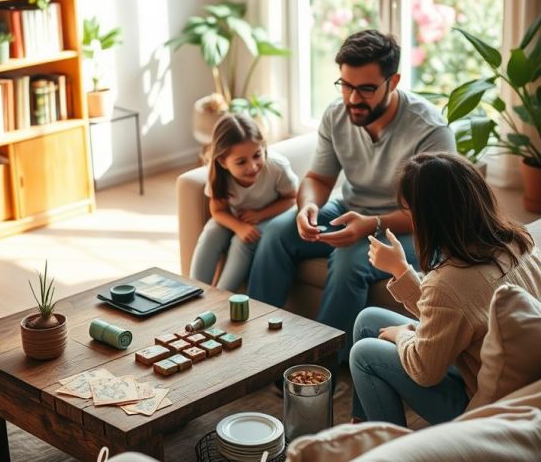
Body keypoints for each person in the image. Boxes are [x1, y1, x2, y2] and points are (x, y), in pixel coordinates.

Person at [247, 29, 456, 349]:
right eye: (346, 86)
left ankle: (320, 363)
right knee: (277, 232)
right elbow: (318, 179)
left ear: (394, 81)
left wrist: (373, 224)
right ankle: (256, 343)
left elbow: (434, 214)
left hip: (415, 228)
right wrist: (307, 207)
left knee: (349, 261)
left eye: (367, 89)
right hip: (351, 209)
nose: (353, 99)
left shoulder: (429, 130)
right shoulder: (337, 113)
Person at [349, 151, 541, 426]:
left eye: (411, 212)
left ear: (430, 217)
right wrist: (401, 271)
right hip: (516, 379)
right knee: (367, 320)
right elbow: (456, 316)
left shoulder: (450, 280)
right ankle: (362, 425)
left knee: (363, 354)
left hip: (485, 409)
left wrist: (402, 335)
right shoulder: (516, 239)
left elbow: (425, 370)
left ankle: (392, 455)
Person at [190, 112, 298, 292]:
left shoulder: (277, 167)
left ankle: (221, 297)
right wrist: (238, 226)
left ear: (263, 147)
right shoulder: (219, 175)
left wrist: (259, 215)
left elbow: (292, 198)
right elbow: (218, 211)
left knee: (245, 241)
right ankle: (192, 290)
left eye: (257, 155)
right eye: (241, 162)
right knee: (212, 232)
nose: (252, 166)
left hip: (271, 216)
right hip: (238, 218)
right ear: (223, 162)